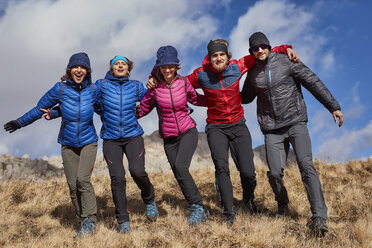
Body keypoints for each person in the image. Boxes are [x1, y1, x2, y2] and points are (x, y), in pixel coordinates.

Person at [148, 39, 298, 224]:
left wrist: (286, 48)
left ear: (227, 57)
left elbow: (261, 52)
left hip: (238, 125)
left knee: (248, 172)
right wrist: (153, 76)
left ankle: (248, 199)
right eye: (214, 56)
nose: (218, 58)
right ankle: (229, 212)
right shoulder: (201, 74)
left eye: (221, 55)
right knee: (222, 168)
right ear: (209, 58)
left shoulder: (238, 66)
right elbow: (173, 77)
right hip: (216, 127)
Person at [241, 32, 344, 235]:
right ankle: (283, 204)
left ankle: (319, 217)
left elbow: (313, 82)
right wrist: (225, 84)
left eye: (263, 46)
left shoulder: (288, 61)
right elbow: (245, 98)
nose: (260, 50)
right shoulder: (252, 74)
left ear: (269, 47)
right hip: (271, 129)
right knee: (275, 173)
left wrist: (333, 106)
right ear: (251, 51)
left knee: (306, 166)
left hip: (296, 122)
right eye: (255, 48)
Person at [4, 52, 99, 237]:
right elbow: (40, 109)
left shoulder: (94, 90)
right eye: (75, 67)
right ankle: (82, 219)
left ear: (87, 71)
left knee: (82, 180)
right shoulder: (60, 89)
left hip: (89, 141)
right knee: (73, 185)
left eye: (83, 68)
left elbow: (107, 107)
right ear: (69, 70)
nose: (79, 70)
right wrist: (20, 122)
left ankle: (90, 220)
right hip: (68, 142)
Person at [137, 45, 209, 226]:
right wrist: (120, 114)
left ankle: (197, 207)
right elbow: (143, 109)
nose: (168, 70)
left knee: (181, 167)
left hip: (187, 131)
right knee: (178, 172)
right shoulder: (154, 88)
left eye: (171, 66)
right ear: (158, 67)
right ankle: (197, 206)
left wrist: (216, 98)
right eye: (164, 67)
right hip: (169, 137)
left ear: (177, 66)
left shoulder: (183, 82)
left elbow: (196, 99)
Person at [95, 55, 158, 233]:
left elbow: (150, 100)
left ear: (128, 69)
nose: (120, 66)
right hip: (110, 139)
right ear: (111, 68)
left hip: (133, 136)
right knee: (117, 178)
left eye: (123, 64)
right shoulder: (101, 85)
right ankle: (123, 220)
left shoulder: (136, 86)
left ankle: (149, 199)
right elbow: (86, 99)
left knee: (137, 171)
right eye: (117, 64)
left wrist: (139, 111)